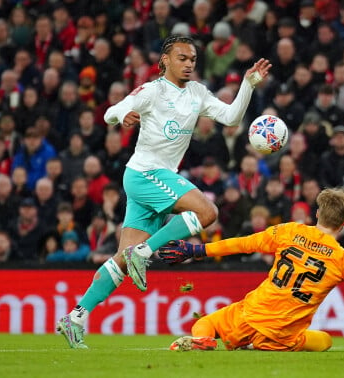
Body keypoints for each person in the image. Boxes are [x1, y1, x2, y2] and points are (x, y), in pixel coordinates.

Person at [56, 35, 271, 349]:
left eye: (193, 59)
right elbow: (110, 112)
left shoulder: (197, 93)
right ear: (165, 61)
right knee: (207, 212)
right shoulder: (152, 91)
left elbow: (231, 117)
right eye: (182, 58)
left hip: (154, 178)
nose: (188, 64)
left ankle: (75, 317)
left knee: (122, 262)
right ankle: (143, 252)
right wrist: (122, 116)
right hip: (145, 173)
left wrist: (249, 84)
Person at [158, 188, 344, 353]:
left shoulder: (288, 231)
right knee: (325, 341)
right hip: (284, 337)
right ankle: (258, 347)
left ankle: (203, 341)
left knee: (207, 323)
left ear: (317, 214)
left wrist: (196, 251)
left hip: (250, 316)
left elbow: (243, 244)